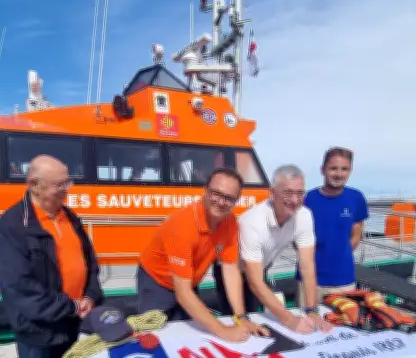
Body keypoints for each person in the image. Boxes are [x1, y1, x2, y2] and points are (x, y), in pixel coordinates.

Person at [0, 155, 104, 358]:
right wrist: (72, 307)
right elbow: (21, 288)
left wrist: (91, 296)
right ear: (35, 184)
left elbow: (90, 263)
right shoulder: (14, 225)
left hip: (73, 321)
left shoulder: (70, 217)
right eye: (60, 185)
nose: (67, 189)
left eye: (68, 182)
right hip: (39, 330)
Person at [136, 167, 270, 342]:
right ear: (205, 191)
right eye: (216, 193)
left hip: (189, 279)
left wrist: (242, 317)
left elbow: (230, 270)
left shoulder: (230, 223)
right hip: (157, 281)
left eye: (229, 198)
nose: (221, 202)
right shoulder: (182, 226)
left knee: (191, 335)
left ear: (236, 201)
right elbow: (183, 293)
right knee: (155, 336)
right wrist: (224, 331)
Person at [214, 164, 332, 333]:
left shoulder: (305, 215)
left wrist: (311, 310)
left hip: (260, 265)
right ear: (272, 193)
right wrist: (290, 321)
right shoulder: (252, 221)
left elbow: (307, 266)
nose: (294, 200)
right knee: (239, 324)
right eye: (288, 192)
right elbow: (255, 282)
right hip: (231, 270)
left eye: (300, 193)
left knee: (258, 315)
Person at [297, 147, 369, 306]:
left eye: (344, 169)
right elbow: (297, 238)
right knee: (306, 326)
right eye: (333, 168)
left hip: (343, 280)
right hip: (309, 280)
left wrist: (338, 255)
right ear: (323, 170)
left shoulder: (356, 198)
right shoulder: (307, 199)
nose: (339, 174)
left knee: (344, 326)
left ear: (350, 171)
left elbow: (356, 235)